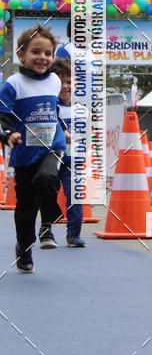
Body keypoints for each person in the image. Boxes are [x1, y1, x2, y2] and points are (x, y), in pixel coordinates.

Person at [0, 25, 66, 272]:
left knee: (47, 177)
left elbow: (52, 111)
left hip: (52, 145)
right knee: (25, 209)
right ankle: (24, 248)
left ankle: (48, 225)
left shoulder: (55, 80)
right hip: (25, 152)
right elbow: (2, 115)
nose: (42, 58)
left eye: (48, 53)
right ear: (21, 55)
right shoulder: (13, 84)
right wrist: (7, 133)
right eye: (36, 52)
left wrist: (62, 127)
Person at [51, 58, 85, 247]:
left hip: (73, 159)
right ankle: (46, 228)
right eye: (60, 82)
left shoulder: (82, 108)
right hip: (52, 158)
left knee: (75, 196)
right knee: (47, 194)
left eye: (69, 82)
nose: (65, 87)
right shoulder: (50, 106)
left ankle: (73, 234)